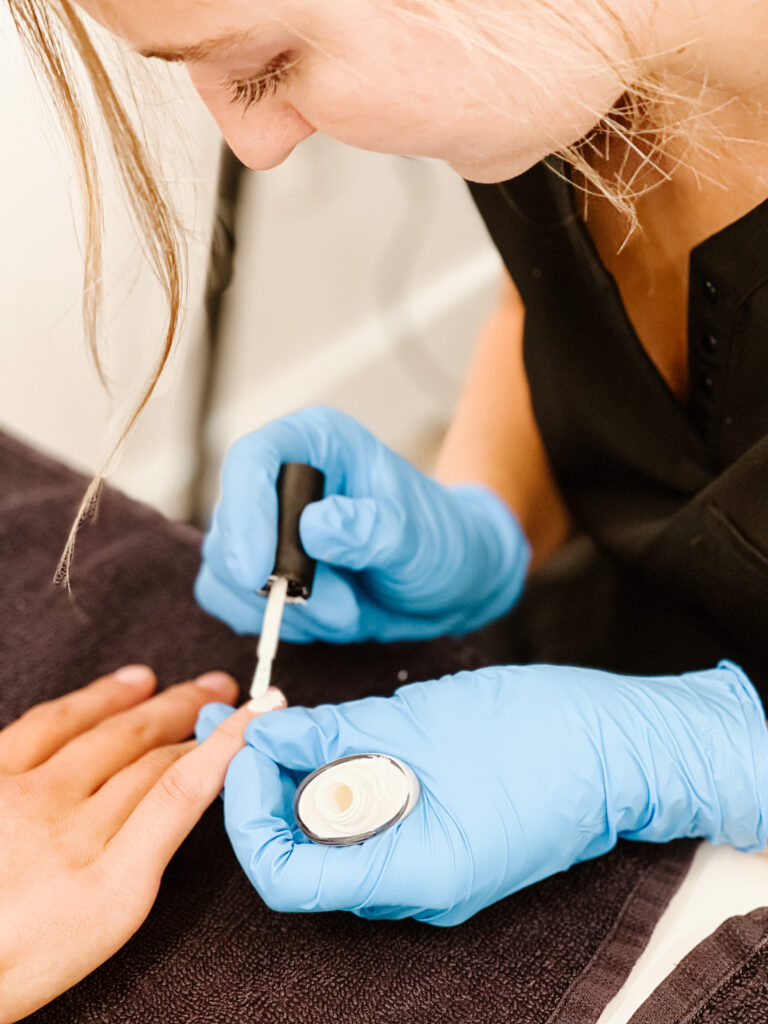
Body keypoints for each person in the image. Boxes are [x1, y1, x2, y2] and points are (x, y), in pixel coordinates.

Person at [3, 0, 768, 1013]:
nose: (257, 146)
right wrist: (485, 519)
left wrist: (703, 751)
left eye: (267, 66)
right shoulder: (573, 51)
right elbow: (566, 294)